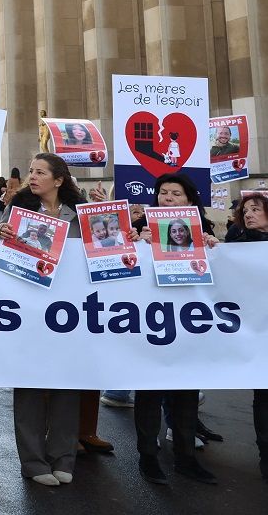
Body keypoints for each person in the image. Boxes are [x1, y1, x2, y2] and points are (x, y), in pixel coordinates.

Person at [0, 152, 83, 486]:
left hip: (70, 312)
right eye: (31, 171)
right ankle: (33, 461)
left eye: (40, 172)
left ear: (59, 180)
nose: (33, 176)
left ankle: (63, 456)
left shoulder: (78, 215)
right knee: (29, 384)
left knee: (67, 384)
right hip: (28, 309)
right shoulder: (19, 209)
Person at [128, 172, 220, 485]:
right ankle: (148, 457)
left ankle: (186, 459)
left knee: (185, 393)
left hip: (189, 324)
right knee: (150, 392)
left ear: (190, 199)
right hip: (152, 322)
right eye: (163, 193)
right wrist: (140, 243)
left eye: (175, 194)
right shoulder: (143, 229)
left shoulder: (204, 229)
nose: (168, 198)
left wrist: (213, 246)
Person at [226, 192, 268, 480]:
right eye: (245, 211)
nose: (249, 214)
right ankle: (265, 455)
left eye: (255, 209)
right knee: (263, 397)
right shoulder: (238, 247)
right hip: (258, 333)